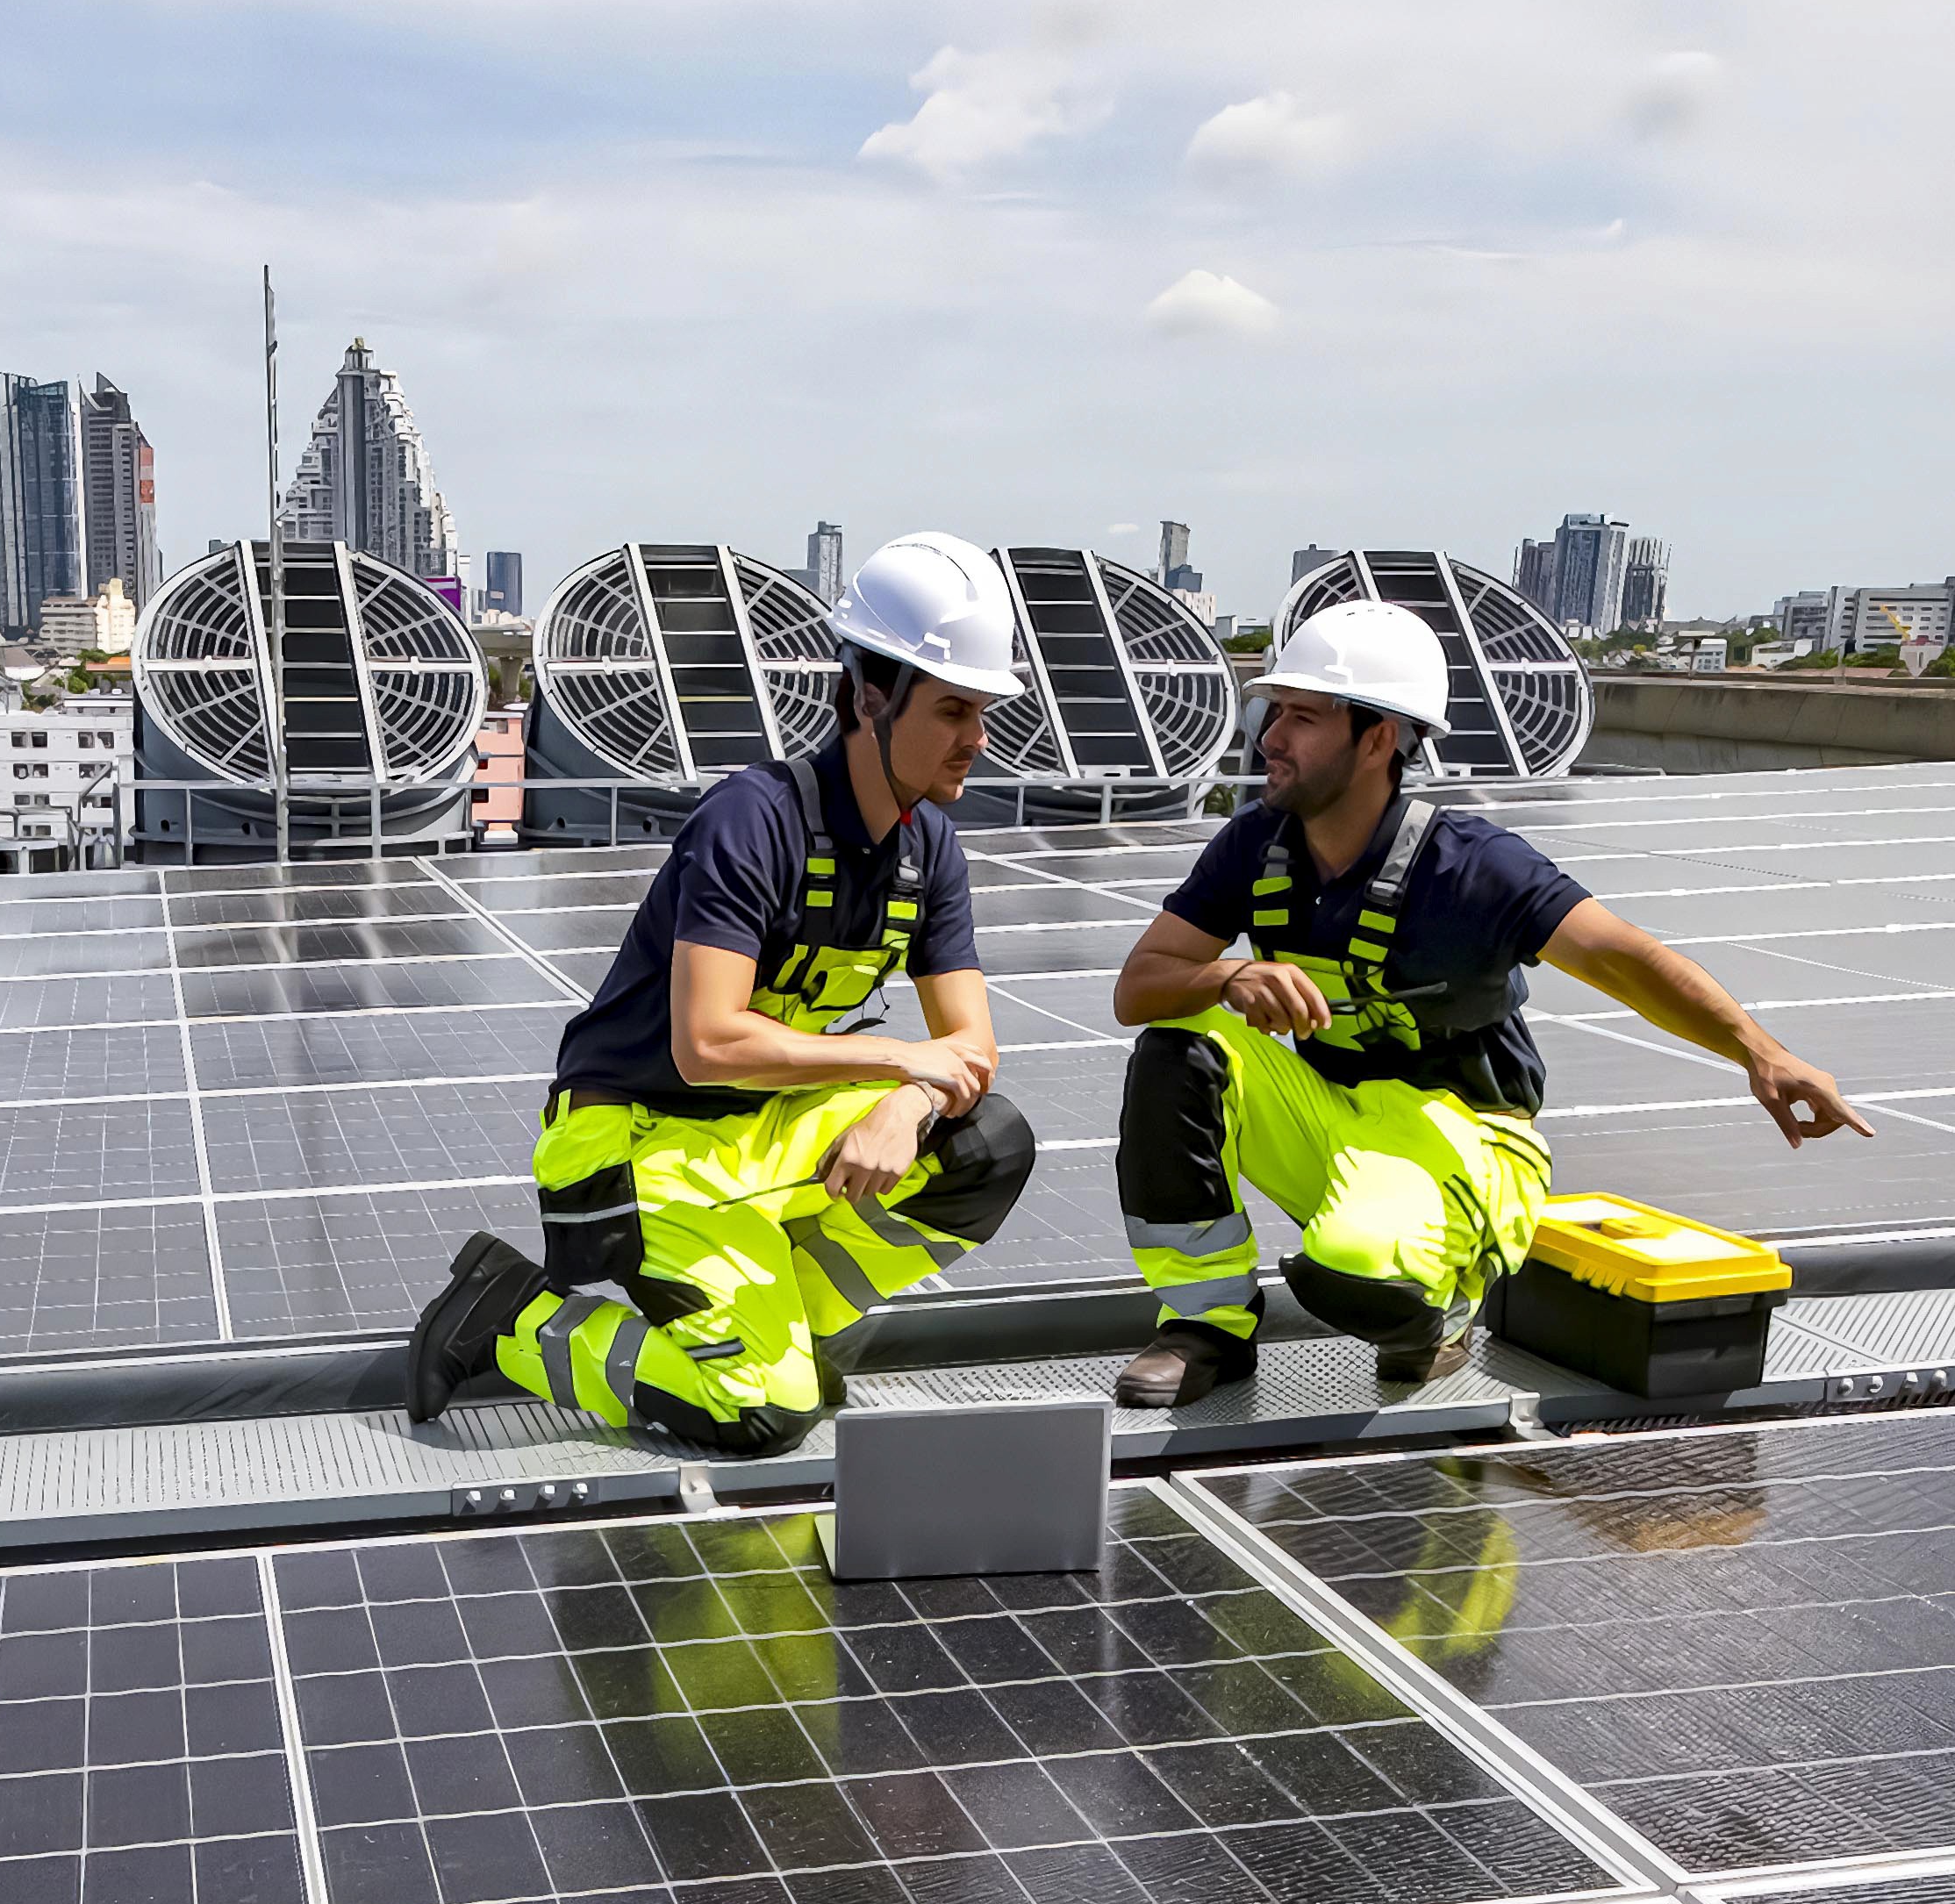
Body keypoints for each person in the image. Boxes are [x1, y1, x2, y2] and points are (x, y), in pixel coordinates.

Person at [1104, 600, 1867, 1406]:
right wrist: (1225, 977)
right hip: (1332, 1114)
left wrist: (1760, 1050)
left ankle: (1445, 1296)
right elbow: (1139, 986)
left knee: (1359, 1282)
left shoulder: (1472, 865)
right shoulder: (1254, 844)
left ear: (1378, 739)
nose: (1271, 739)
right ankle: (1207, 1325)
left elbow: (1624, 958)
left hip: (1466, 1136)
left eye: (1303, 716)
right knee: (1177, 1043)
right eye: (1275, 712)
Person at [404, 531, 1041, 1450]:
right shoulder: (757, 818)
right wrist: (905, 1058)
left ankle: (784, 1321)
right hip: (640, 1141)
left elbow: (970, 1051)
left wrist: (907, 1100)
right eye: (953, 709)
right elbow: (709, 1042)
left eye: (984, 711)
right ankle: (511, 1322)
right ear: (870, 696)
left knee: (986, 1141)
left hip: (761, 1139)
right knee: (763, 1411)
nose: (976, 739)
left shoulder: (927, 849)